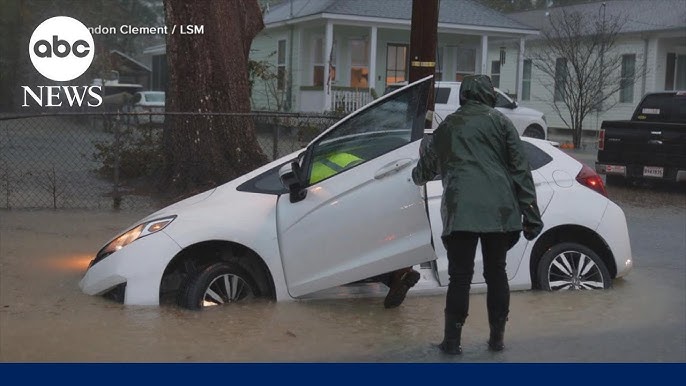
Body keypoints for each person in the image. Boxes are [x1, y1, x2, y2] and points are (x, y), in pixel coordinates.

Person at [411, 75, 543, 354]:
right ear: (489, 96)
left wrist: (415, 166)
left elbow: (423, 173)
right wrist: (531, 213)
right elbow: (521, 170)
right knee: (497, 273)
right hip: (500, 211)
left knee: (460, 277)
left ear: (463, 96)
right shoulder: (502, 123)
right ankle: (497, 340)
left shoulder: (447, 127)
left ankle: (452, 342)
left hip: (461, 211)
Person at [309, 150, 421, 309]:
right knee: (369, 251)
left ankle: (393, 276)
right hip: (371, 213)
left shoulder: (312, 169)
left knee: (348, 255)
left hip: (337, 221)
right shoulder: (348, 157)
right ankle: (398, 274)